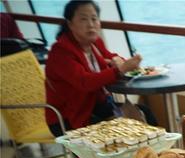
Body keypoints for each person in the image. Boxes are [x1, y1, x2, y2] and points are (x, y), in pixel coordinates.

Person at [45, 0, 156, 136]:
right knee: (124, 132)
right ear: (70, 24)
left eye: (94, 18)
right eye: (83, 19)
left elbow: (112, 57)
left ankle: (162, 149)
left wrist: (120, 61)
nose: (90, 24)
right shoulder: (60, 51)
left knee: (145, 112)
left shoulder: (95, 42)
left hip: (96, 106)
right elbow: (85, 82)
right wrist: (120, 69)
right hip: (70, 117)